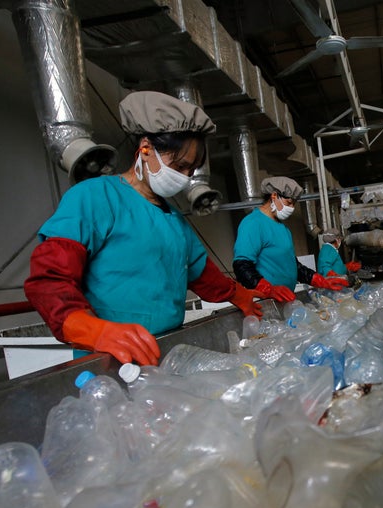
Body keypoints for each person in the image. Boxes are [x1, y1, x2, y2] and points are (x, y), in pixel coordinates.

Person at [25, 91, 261, 366]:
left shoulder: (173, 219)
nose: (185, 178)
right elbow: (50, 279)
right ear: (146, 147)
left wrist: (241, 295)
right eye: (180, 165)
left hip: (166, 353)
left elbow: (203, 276)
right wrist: (93, 329)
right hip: (109, 362)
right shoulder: (94, 197)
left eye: (192, 170)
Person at [233, 177, 349, 302]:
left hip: (285, 299)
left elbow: (293, 265)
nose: (292, 208)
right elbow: (242, 266)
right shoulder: (253, 223)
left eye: (294, 203)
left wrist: (318, 279)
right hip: (264, 301)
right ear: (274, 196)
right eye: (289, 203)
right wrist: (268, 289)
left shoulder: (283, 229)